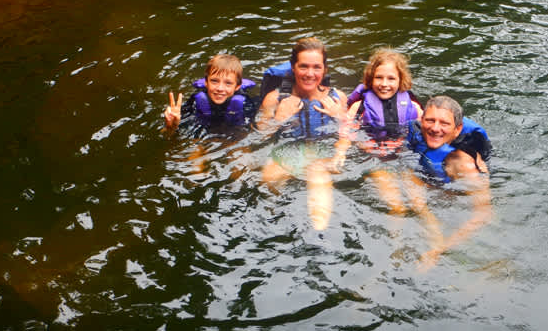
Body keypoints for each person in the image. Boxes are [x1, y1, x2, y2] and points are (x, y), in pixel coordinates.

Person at [376, 95, 492, 270]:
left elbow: (483, 215)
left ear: (457, 129)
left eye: (444, 123)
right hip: (426, 183)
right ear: (422, 120)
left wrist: (439, 250)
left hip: (452, 202)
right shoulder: (416, 131)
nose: (435, 128)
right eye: (430, 120)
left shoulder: (464, 164)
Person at [256, 37, 348, 230]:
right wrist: (277, 120)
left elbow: (351, 131)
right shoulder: (275, 99)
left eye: (317, 67)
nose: (310, 74)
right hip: (288, 149)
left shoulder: (337, 97)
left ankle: (319, 235)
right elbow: (258, 135)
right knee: (268, 180)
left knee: (318, 177)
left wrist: (340, 119)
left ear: (325, 69)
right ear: (293, 67)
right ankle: (271, 228)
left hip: (321, 151)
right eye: (303, 66)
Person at [334, 48, 423, 166]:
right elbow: (345, 133)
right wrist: (340, 153)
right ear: (371, 79)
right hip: (370, 155)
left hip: (404, 154)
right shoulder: (359, 107)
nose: (384, 84)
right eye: (379, 77)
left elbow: (426, 132)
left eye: (391, 78)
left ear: (400, 80)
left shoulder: (414, 107)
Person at [163, 53, 256, 135]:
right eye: (214, 81)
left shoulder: (245, 103)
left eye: (228, 83)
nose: (220, 88)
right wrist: (171, 126)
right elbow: (168, 134)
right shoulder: (196, 99)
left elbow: (250, 132)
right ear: (206, 83)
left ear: (237, 87)